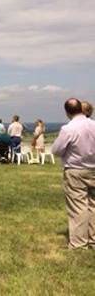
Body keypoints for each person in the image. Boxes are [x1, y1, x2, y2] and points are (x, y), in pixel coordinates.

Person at [52, 98, 95, 249]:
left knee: (78, 207)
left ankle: (79, 242)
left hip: (75, 169)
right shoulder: (93, 125)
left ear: (67, 112)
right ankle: (93, 239)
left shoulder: (68, 129)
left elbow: (56, 150)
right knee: (93, 205)